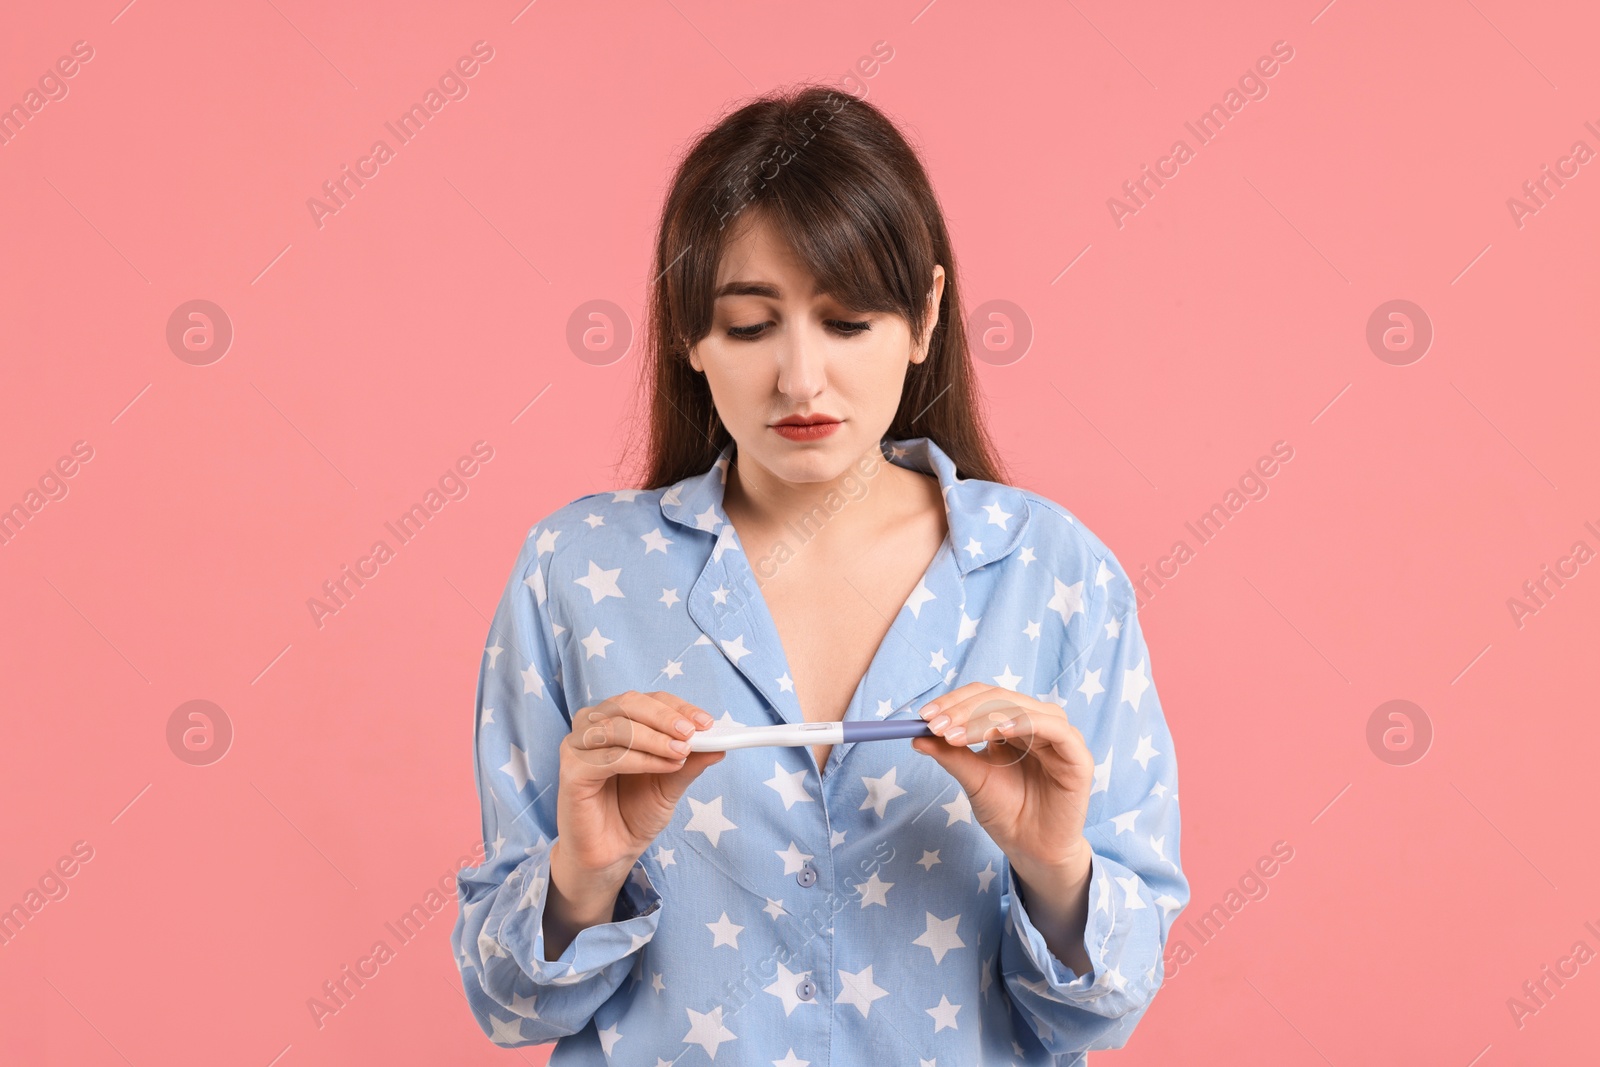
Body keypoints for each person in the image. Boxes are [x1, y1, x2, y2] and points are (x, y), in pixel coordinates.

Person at [451, 84, 1188, 1065]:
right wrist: (581, 873)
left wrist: (1055, 867)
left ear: (925, 315)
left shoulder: (1055, 573)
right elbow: (508, 1007)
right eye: (752, 326)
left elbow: (1103, 1011)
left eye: (847, 323)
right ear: (689, 332)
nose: (800, 378)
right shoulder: (574, 572)